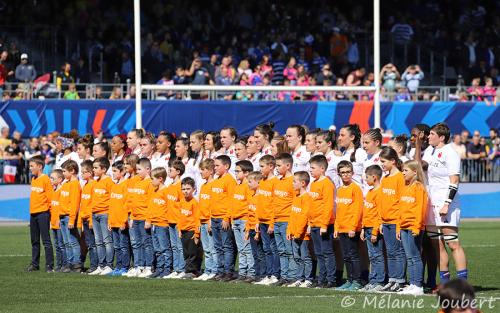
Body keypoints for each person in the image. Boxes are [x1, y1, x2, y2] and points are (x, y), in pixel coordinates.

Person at [423, 123, 468, 287]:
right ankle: (444, 283)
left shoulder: (450, 153)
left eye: (432, 134)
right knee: (438, 244)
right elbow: (421, 167)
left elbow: (454, 181)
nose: (428, 136)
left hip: (445, 204)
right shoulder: (429, 151)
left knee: (452, 243)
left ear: (441, 137)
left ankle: (463, 284)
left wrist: (447, 204)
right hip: (431, 203)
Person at [397, 160, 428, 295]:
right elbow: (401, 208)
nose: (403, 173)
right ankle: (413, 283)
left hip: (413, 227)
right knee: (409, 257)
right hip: (404, 226)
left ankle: (418, 285)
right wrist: (398, 227)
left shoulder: (419, 187)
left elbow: (420, 209)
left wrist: (417, 227)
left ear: (415, 172)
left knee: (415, 256)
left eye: (406, 170)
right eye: (403, 170)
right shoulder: (405, 186)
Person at [379, 147, 406, 292]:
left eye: (383, 161)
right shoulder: (385, 178)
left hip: (396, 221)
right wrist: (380, 221)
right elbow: (382, 201)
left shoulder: (400, 177)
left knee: (398, 252)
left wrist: (399, 224)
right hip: (386, 221)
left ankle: (400, 281)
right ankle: (392, 279)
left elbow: (402, 202)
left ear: (393, 161)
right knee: (389, 252)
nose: (381, 164)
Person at [334, 160, 363, 291]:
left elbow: (357, 209)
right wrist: (336, 227)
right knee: (346, 255)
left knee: (353, 255)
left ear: (352, 173)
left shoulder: (355, 189)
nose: (345, 175)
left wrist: (353, 227)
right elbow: (338, 211)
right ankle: (349, 279)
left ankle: (357, 280)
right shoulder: (339, 190)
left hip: (351, 228)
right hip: (342, 228)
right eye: (343, 173)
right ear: (339, 174)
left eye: (348, 172)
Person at [308, 155, 336, 288]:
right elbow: (311, 205)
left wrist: (324, 225)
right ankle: (322, 278)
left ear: (322, 168)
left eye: (313, 168)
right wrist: (309, 223)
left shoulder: (327, 184)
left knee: (327, 252)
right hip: (314, 224)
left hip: (323, 225)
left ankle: (331, 279)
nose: (310, 170)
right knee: (319, 253)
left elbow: (328, 205)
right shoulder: (313, 183)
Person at [210, 155, 237, 281]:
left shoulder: (230, 181)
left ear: (226, 166)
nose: (214, 168)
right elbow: (213, 201)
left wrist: (227, 218)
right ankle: (220, 271)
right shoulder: (216, 180)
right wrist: (211, 217)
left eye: (217, 165)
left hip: (223, 218)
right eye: (214, 165)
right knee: (218, 246)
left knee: (227, 246)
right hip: (214, 217)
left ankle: (228, 272)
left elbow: (232, 201)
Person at [254, 155, 280, 286]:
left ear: (271, 166)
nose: (260, 169)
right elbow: (260, 202)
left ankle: (276, 274)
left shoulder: (275, 182)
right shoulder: (262, 182)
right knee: (266, 249)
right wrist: (258, 220)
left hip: (270, 221)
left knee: (273, 248)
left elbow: (275, 204)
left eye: (262, 166)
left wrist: (272, 223)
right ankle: (268, 274)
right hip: (262, 221)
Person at [128, 158, 155, 278]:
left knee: (146, 243)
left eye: (139, 169)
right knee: (137, 243)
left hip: (144, 218)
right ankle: (139, 266)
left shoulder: (150, 183)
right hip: (136, 218)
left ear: (148, 169)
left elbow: (151, 203)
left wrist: (148, 219)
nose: (137, 171)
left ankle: (148, 267)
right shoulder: (137, 182)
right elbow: (134, 201)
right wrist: (132, 217)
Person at [359, 165, 385, 292]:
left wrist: (375, 232)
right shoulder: (370, 192)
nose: (365, 180)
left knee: (377, 255)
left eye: (367, 177)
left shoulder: (380, 192)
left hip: (374, 229)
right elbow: (367, 212)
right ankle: (373, 280)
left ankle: (379, 281)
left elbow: (379, 215)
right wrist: (363, 228)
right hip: (367, 228)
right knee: (372, 256)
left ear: (374, 177)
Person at [27, 156, 54, 272]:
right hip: (33, 214)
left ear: (40, 166)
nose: (30, 168)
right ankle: (35, 264)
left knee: (46, 241)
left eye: (32, 166)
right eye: (29, 166)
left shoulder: (46, 179)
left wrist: (52, 216)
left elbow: (50, 198)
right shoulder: (33, 179)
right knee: (34, 241)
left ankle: (49, 265)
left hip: (43, 213)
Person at [286, 171, 313, 288]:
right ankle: (299, 278)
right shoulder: (296, 197)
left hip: (302, 235)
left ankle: (308, 279)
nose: (292, 184)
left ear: (302, 183)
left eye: (294, 181)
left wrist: (298, 232)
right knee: (297, 257)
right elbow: (292, 216)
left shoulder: (307, 198)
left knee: (305, 257)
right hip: (294, 233)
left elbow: (304, 217)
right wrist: (289, 230)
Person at [88, 157, 114, 276]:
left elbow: (113, 199)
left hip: (104, 214)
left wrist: (110, 216)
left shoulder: (109, 182)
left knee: (107, 241)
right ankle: (101, 265)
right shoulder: (96, 182)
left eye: (95, 168)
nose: (93, 170)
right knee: (98, 241)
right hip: (95, 214)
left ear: (103, 169)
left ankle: (109, 265)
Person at [193, 159, 217, 281]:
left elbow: (213, 205)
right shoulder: (203, 185)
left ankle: (214, 270)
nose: (201, 172)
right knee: (206, 249)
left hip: (209, 221)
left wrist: (210, 220)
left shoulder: (214, 185)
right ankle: (208, 270)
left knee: (213, 248)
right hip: (201, 220)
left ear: (211, 171)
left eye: (203, 169)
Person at [231, 160, 255, 282]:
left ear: (246, 173)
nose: (235, 173)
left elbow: (249, 205)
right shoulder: (237, 185)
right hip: (236, 220)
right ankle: (242, 272)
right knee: (241, 249)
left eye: (238, 171)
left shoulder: (247, 187)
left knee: (247, 248)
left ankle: (250, 273)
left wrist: (248, 222)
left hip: (244, 220)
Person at [146, 167, 172, 279]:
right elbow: (151, 207)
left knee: (165, 248)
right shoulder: (154, 191)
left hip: (162, 224)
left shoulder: (166, 191)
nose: (151, 181)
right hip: (154, 224)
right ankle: (159, 269)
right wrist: (149, 220)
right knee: (157, 249)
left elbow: (169, 208)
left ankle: (167, 269)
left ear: (160, 179)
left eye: (153, 179)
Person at [162, 160, 186, 279]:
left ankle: (181, 268)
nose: (168, 172)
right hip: (170, 220)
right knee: (174, 246)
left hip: (178, 221)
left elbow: (182, 205)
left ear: (178, 172)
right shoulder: (170, 186)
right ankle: (176, 269)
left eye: (170, 170)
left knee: (180, 246)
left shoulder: (181, 186)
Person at [108, 161, 130, 276]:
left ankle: (125, 267)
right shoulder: (114, 185)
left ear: (122, 172)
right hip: (113, 221)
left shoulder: (125, 185)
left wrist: (123, 221)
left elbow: (126, 205)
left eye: (115, 171)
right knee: (116, 246)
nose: (113, 173)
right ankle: (118, 266)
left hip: (121, 222)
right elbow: (111, 205)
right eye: (112, 171)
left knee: (124, 246)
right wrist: (109, 221)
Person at [178, 177, 203, 279]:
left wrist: (197, 234)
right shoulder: (182, 202)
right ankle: (188, 269)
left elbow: (197, 219)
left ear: (194, 189)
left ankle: (193, 271)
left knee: (193, 252)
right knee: (186, 252)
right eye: (183, 189)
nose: (185, 191)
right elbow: (180, 217)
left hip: (192, 231)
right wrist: (179, 229)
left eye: (188, 189)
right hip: (184, 231)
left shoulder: (194, 203)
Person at [78, 160, 98, 274]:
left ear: (90, 173)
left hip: (90, 219)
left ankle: (94, 265)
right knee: (88, 243)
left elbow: (92, 204)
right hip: (84, 218)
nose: (82, 174)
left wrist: (91, 220)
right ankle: (93, 265)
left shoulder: (93, 185)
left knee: (92, 244)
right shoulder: (85, 185)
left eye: (84, 172)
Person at [49, 169, 66, 272]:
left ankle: (64, 265)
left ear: (60, 180)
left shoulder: (62, 191)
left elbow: (61, 207)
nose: (50, 180)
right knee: (57, 245)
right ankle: (58, 265)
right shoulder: (53, 190)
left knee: (62, 245)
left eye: (52, 178)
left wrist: (59, 219)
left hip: (59, 222)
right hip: (53, 222)